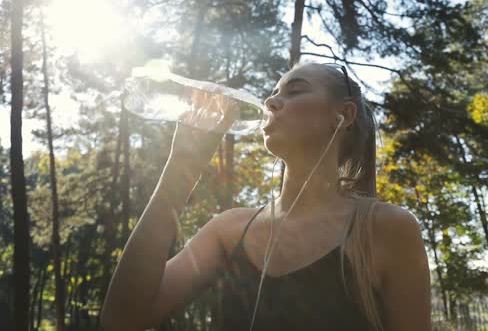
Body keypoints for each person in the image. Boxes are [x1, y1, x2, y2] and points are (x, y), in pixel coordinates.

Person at [100, 62, 431, 331]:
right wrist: (181, 169)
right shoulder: (228, 231)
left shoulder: (385, 228)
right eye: (273, 93)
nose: (271, 102)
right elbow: (123, 319)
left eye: (295, 91)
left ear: (342, 115)